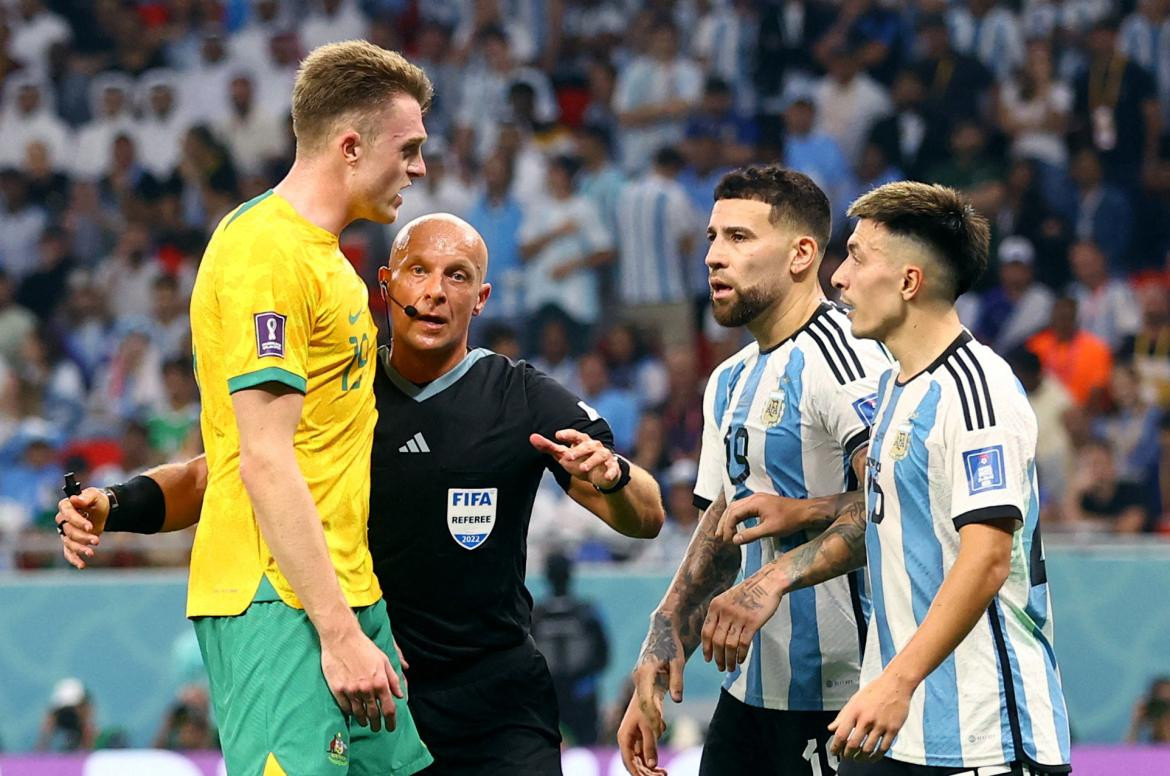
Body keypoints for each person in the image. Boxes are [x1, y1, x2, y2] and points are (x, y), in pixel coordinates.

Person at [57, 213, 665, 775]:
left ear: (480, 298)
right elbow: (212, 476)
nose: (434, 291)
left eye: (457, 277)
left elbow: (647, 516)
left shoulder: (519, 396)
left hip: (497, 702)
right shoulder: (341, 390)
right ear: (385, 285)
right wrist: (113, 504)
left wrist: (612, 475)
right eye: (418, 271)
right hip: (369, 685)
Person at [65, 40, 435, 775]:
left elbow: (233, 460)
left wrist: (126, 500)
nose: (420, 169)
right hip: (279, 605)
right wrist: (336, 632)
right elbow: (264, 462)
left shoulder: (327, 260)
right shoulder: (267, 253)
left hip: (338, 595)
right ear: (352, 145)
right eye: (412, 148)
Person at [728, 181, 1071, 774]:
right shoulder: (894, 389)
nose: (839, 278)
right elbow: (898, 512)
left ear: (910, 283)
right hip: (895, 728)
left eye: (858, 258)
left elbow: (986, 559)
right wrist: (806, 512)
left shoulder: (976, 390)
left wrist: (898, 682)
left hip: (983, 737)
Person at [617, 165, 892, 776]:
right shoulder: (730, 378)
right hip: (750, 696)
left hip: (846, 698)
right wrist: (662, 642)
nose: (714, 256)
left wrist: (770, 581)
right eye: (713, 238)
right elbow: (722, 531)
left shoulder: (845, 356)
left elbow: (897, 501)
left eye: (740, 239)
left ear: (801, 254)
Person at [531, 552, 611, 746]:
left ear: (546, 577)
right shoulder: (587, 611)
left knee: (544, 749)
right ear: (570, 575)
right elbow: (603, 654)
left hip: (550, 695)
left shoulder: (535, 615)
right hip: (580, 695)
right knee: (587, 750)